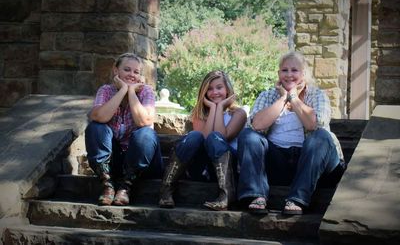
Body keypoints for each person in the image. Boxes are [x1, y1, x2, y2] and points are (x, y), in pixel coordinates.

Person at [237, 51, 345, 215]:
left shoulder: (317, 95)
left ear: (304, 74)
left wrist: (293, 98)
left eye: (294, 70)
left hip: (314, 163)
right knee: (248, 135)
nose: (289, 75)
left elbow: (313, 124)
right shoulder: (267, 95)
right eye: (284, 70)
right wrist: (282, 99)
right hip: (278, 162)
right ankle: (256, 195)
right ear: (278, 73)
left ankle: (297, 199)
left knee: (321, 136)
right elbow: (257, 125)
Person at [158, 70, 247, 211]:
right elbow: (203, 139)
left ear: (227, 89)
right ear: (204, 93)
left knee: (215, 138)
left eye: (219, 87)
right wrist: (213, 108)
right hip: (202, 166)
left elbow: (221, 136)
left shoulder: (238, 113)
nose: (215, 92)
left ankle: (226, 194)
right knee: (194, 136)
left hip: (226, 168)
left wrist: (220, 108)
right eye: (209, 89)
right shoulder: (199, 114)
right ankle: (167, 189)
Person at [85, 53, 162, 206]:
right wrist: (122, 91)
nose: (132, 75)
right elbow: (99, 116)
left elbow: (144, 121)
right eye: (127, 70)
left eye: (136, 72)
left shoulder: (146, 91)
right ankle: (107, 184)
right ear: (116, 71)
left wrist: (131, 92)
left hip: (143, 161)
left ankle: (126, 186)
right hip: (115, 161)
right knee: (95, 127)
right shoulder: (106, 90)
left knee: (146, 133)